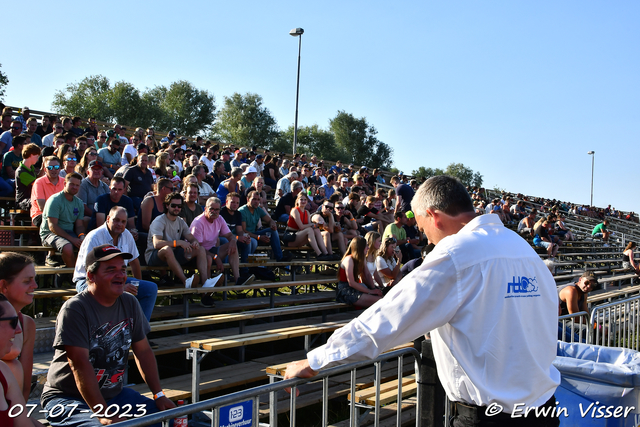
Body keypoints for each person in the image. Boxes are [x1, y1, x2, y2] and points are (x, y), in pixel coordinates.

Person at [284, 175, 561, 426]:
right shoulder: (521, 248)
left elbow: (391, 315)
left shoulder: (456, 254)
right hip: (545, 410)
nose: (425, 237)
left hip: (490, 416)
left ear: (433, 216)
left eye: (422, 226)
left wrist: (316, 359)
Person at [41, 245, 176, 426]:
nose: (120, 275)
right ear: (90, 276)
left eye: (123, 269)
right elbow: (79, 364)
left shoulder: (130, 302)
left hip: (115, 395)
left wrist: (158, 394)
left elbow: (143, 351)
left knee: (168, 419)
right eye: (111, 270)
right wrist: (102, 412)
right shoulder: (75, 309)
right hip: (67, 398)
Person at [74, 207, 158, 323]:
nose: (120, 224)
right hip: (88, 282)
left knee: (150, 288)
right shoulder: (94, 237)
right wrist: (120, 288)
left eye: (123, 222)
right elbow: (91, 276)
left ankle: (139, 334)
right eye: (116, 220)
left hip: (115, 280)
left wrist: (136, 286)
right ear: (108, 219)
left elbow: (134, 261)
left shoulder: (127, 234)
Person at [190, 198, 255, 307]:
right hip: (195, 253)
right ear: (205, 209)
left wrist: (233, 241)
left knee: (232, 246)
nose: (214, 212)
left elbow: (230, 235)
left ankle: (237, 279)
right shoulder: (198, 222)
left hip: (211, 249)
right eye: (212, 209)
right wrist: (216, 257)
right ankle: (205, 295)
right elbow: (199, 248)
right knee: (209, 258)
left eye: (217, 209)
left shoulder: (219, 218)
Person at [145, 192, 208, 289]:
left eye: (179, 206)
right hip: (154, 255)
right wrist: (177, 243)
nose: (176, 208)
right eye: (173, 205)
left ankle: (206, 283)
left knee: (201, 249)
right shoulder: (159, 221)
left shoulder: (180, 221)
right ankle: (185, 281)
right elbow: (156, 244)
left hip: (173, 254)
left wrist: (194, 242)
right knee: (167, 249)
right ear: (167, 206)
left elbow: (191, 237)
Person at [0, 253, 37, 402]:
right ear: (3, 286)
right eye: (27, 281)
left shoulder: (27, 324)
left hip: (13, 406)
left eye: (35, 280)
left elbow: (26, 387)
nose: (35, 286)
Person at [40, 173, 86, 268]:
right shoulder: (55, 200)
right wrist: (73, 239)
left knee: (86, 245)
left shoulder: (79, 203)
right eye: (72, 184)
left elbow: (79, 225)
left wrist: (81, 236)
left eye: (77, 185)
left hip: (70, 232)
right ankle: (72, 276)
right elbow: (52, 226)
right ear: (65, 184)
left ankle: (75, 274)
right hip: (50, 233)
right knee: (67, 247)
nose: (74, 187)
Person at [239, 191, 293, 262]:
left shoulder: (258, 209)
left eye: (258, 200)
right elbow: (244, 231)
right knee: (251, 240)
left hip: (254, 234)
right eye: (254, 199)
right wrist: (259, 237)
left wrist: (273, 225)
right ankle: (245, 268)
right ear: (248, 199)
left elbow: (270, 220)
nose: (256, 202)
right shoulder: (242, 211)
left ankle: (280, 258)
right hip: (242, 236)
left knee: (273, 231)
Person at [334, 237, 383, 307]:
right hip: (346, 291)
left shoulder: (362, 258)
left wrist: (374, 289)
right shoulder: (349, 260)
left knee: (383, 297)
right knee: (380, 300)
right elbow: (351, 283)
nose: (368, 248)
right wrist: (370, 291)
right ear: (360, 247)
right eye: (366, 246)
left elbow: (367, 274)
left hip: (356, 288)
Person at [285, 193, 333, 261]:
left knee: (315, 230)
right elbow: (301, 227)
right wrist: (312, 225)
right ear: (297, 200)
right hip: (291, 237)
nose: (303, 201)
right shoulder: (295, 210)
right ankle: (319, 254)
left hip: (300, 236)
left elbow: (308, 226)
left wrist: (316, 225)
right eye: (301, 199)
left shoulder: (307, 212)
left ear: (307, 201)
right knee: (310, 230)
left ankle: (326, 253)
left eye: (305, 200)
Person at [15, 143, 41, 212]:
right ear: (31, 155)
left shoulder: (32, 168)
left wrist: (44, 167)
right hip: (23, 201)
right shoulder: (21, 171)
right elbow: (37, 184)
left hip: (31, 198)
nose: (37, 159)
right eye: (37, 156)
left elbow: (39, 180)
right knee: (39, 202)